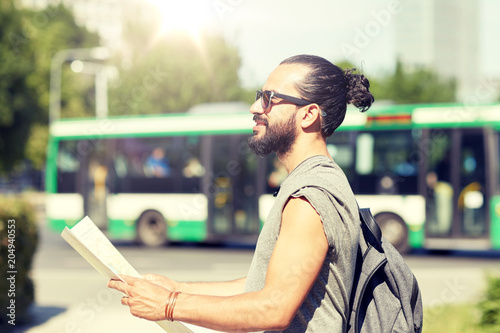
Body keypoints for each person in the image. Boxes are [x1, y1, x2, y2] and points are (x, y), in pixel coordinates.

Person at [108, 54, 374, 332]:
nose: (255, 107)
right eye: (259, 95)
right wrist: (177, 288)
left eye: (269, 98)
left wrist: (169, 304)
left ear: (308, 114)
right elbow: (261, 286)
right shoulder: (317, 179)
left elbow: (273, 307)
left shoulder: (309, 196)